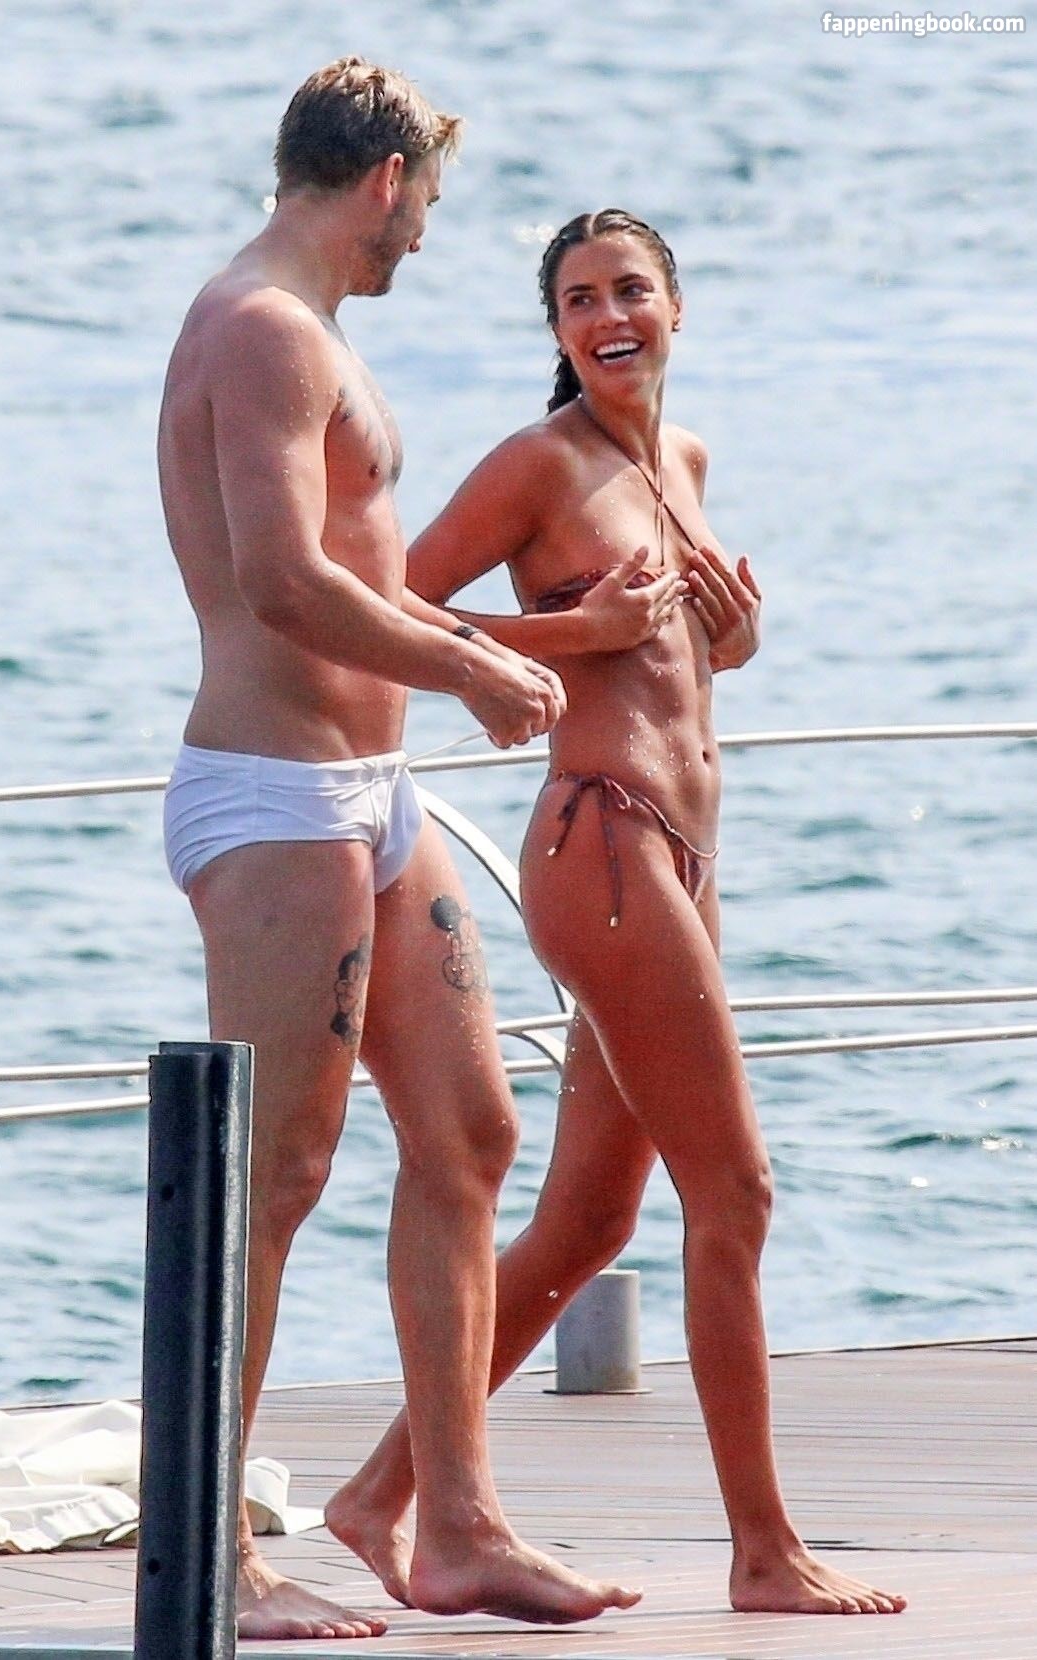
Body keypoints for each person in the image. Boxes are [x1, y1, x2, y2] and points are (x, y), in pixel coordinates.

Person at [325, 209, 907, 1619]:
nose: (608, 318)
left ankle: (380, 1495)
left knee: (590, 1222)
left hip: (689, 861)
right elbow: (386, 606)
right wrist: (571, 635)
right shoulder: (540, 464)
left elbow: (685, 666)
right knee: (736, 1194)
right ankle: (763, 1550)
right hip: (604, 848)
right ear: (558, 330)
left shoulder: (682, 463)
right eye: (579, 300)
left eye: (630, 290)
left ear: (676, 307)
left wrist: (733, 636)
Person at [158, 68, 643, 1641]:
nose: (425, 235)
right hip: (277, 798)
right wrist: (472, 673)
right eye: (427, 200)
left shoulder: (310, 330)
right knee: (277, 1173)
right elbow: (284, 583)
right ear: (383, 177)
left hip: (373, 793)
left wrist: (505, 648)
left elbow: (358, 572)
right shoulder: (263, 329)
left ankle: (458, 1528)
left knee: (471, 1133)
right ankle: (215, 1554)